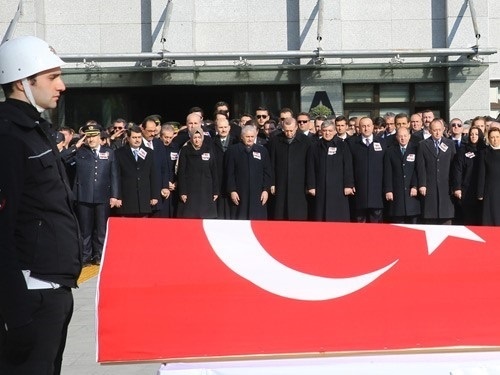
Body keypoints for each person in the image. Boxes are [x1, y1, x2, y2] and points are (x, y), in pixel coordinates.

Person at [0, 35, 82, 374]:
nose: (61, 85)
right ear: (22, 81)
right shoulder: (8, 136)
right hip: (30, 295)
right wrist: (16, 312)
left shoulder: (36, 130)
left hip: (53, 293)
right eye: (52, 77)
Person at [67, 123, 120, 266]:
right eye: (88, 137)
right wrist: (75, 146)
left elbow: (114, 175)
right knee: (85, 230)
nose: (91, 140)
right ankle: (85, 256)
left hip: (103, 196)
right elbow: (63, 159)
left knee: (101, 229)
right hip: (84, 196)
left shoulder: (109, 152)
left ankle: (100, 255)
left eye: (94, 136)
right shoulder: (80, 152)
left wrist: (115, 195)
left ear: (99, 136)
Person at [307, 119, 354, 222]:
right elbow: (310, 167)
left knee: (338, 217)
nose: (327, 133)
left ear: (334, 131)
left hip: (338, 188)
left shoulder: (343, 145)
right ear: (321, 131)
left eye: (330, 131)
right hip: (320, 187)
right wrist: (311, 186)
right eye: (324, 131)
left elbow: (348, 166)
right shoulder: (314, 146)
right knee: (321, 216)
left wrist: (348, 185)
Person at [269, 117, 312, 220]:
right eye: (286, 130)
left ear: (296, 127)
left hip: (299, 184)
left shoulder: (306, 142)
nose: (288, 133)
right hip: (281, 183)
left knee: (298, 214)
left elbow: (309, 165)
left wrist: (309, 184)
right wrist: (272, 183)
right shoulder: (275, 141)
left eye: (291, 130)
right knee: (280, 213)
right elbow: (272, 164)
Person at [225, 125, 272, 220]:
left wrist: (266, 190)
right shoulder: (233, 151)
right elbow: (229, 173)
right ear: (242, 137)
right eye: (247, 137)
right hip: (240, 193)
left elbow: (267, 172)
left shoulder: (262, 151)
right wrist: (232, 190)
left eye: (252, 137)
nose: (250, 139)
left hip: (258, 194)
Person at [347, 117, 387, 223]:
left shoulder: (383, 143)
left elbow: (387, 167)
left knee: (376, 222)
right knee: (360, 222)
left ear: (373, 127)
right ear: (359, 128)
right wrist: (350, 183)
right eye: (363, 126)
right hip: (359, 190)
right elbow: (348, 166)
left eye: (368, 126)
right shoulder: (351, 143)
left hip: (377, 191)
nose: (366, 128)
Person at [416, 118, 456, 224]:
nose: (437, 132)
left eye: (439, 129)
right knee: (430, 216)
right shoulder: (423, 144)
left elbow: (454, 166)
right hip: (429, 185)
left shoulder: (450, 144)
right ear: (430, 131)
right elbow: (421, 166)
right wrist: (422, 184)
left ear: (443, 129)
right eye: (434, 130)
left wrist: (454, 185)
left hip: (446, 185)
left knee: (446, 217)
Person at [114, 125, 159, 217]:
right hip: (127, 198)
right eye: (134, 137)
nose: (137, 140)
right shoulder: (119, 153)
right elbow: (116, 177)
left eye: (139, 137)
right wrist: (117, 197)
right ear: (128, 138)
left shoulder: (149, 152)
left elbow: (153, 175)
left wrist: (154, 195)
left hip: (144, 199)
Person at [177, 127, 219, 218]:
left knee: (206, 215)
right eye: (195, 137)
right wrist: (182, 192)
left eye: (199, 137)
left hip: (206, 189)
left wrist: (215, 190)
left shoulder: (208, 149)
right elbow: (181, 172)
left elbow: (214, 171)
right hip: (190, 189)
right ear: (191, 138)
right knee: (190, 216)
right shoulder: (185, 150)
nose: (197, 140)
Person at [383, 127, 420, 223]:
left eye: (405, 136)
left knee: (413, 224)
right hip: (397, 193)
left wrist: (415, 186)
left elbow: (418, 169)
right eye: (400, 136)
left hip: (412, 194)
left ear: (409, 136)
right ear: (396, 137)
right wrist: (388, 190)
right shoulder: (390, 151)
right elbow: (388, 172)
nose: (402, 138)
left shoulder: (416, 149)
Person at [451, 126, 485, 225]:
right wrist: (457, 188)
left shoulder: (485, 150)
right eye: (471, 134)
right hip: (467, 190)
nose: (473, 136)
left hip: (482, 190)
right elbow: (457, 170)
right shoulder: (463, 150)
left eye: (476, 134)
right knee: (468, 218)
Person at [477, 128, 500, 225]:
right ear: (489, 139)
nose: (495, 140)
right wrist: (480, 193)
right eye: (492, 137)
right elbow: (482, 173)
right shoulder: (484, 153)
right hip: (491, 189)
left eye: (497, 137)